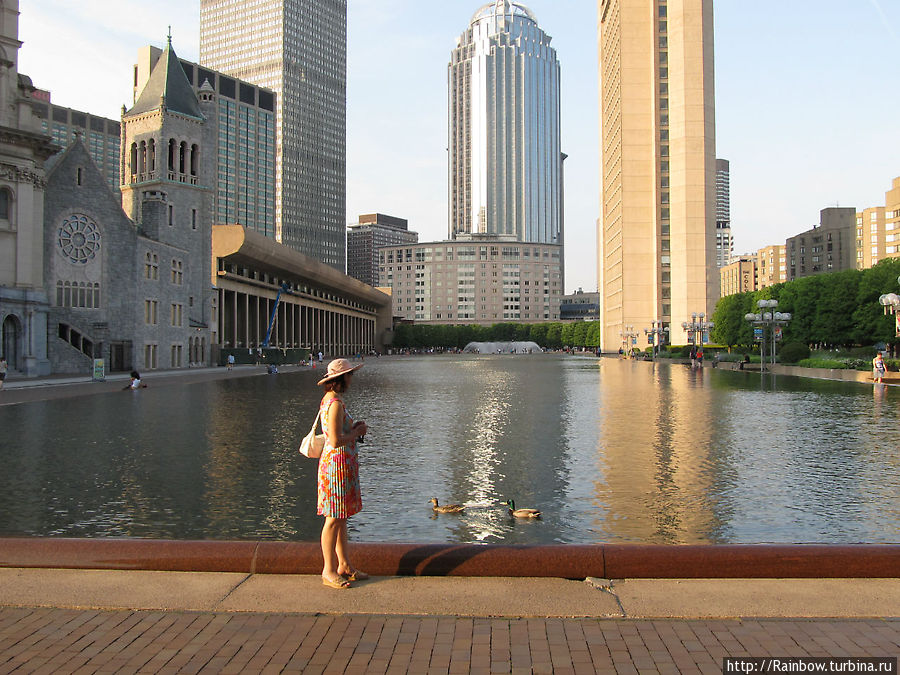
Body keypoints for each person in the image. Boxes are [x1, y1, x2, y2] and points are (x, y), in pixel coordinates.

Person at [316, 358, 368, 589]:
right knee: (333, 519)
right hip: (336, 465)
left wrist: (353, 428)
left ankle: (344, 564)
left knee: (341, 517)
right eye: (350, 375)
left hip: (339, 464)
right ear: (341, 378)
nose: (351, 379)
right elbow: (335, 440)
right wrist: (356, 432)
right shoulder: (335, 403)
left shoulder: (329, 401)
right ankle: (328, 570)